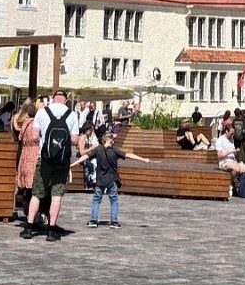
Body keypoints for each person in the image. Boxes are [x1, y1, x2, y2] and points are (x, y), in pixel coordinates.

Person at [23, 90, 80, 241]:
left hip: (45, 159)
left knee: (37, 193)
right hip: (62, 161)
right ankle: (51, 230)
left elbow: (35, 136)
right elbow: (74, 140)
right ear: (66, 100)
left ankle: (29, 228)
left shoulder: (42, 112)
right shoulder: (72, 115)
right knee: (56, 195)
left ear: (53, 99)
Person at [72, 130, 154, 228]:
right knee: (114, 200)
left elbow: (85, 156)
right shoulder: (115, 150)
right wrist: (143, 159)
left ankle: (93, 221)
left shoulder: (98, 149)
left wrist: (74, 163)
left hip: (100, 180)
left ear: (103, 140)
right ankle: (114, 222)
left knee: (96, 200)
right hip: (112, 179)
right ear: (112, 141)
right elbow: (129, 155)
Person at [13, 103, 39, 223]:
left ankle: (27, 210)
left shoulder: (24, 123)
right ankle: (32, 214)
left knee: (25, 187)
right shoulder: (36, 124)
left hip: (24, 154)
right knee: (32, 186)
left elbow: (20, 137)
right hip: (33, 154)